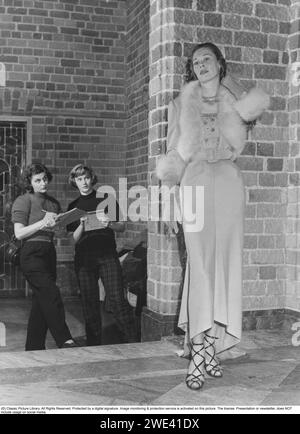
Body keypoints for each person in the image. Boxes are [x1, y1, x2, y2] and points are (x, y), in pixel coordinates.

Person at [157, 42, 270, 390]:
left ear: (220, 63)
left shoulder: (234, 98)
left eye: (207, 58)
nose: (201, 64)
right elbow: (172, 155)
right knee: (200, 266)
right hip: (193, 182)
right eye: (195, 62)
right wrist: (167, 201)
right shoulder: (179, 104)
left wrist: (227, 81)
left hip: (228, 184)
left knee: (225, 265)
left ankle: (212, 345)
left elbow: (258, 103)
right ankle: (197, 350)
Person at [66, 164, 137, 346]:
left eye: (87, 177)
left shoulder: (106, 199)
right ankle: (94, 344)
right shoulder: (73, 207)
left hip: (107, 256)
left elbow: (121, 226)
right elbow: (72, 239)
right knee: (89, 304)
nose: (84, 182)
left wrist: (109, 224)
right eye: (79, 179)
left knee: (117, 300)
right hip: (84, 259)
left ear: (92, 178)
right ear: (74, 181)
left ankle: (131, 342)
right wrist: (81, 225)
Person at [11, 163, 77, 351]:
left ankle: (33, 347)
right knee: (51, 293)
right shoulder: (23, 200)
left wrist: (63, 225)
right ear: (30, 183)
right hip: (31, 253)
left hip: (49, 252)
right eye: (37, 180)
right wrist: (42, 223)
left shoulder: (54, 203)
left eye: (45, 179)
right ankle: (65, 340)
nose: (43, 183)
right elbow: (19, 234)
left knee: (41, 301)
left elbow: (59, 234)